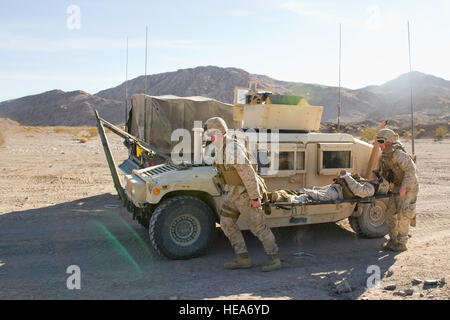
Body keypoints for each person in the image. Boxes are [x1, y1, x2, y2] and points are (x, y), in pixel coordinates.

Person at [203, 117, 281, 272]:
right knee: (226, 223)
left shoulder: (232, 148)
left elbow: (248, 173)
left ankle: (274, 259)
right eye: (208, 135)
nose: (209, 137)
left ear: (221, 133)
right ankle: (243, 258)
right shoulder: (220, 147)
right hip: (233, 194)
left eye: (211, 134)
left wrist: (255, 198)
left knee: (257, 227)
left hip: (246, 194)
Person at [376, 128, 419, 252]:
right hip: (396, 186)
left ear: (388, 141)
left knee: (403, 214)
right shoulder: (384, 156)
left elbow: (410, 170)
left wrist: (404, 187)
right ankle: (393, 239)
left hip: (409, 186)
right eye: (378, 141)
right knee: (390, 214)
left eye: (381, 141)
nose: (379, 144)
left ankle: (402, 243)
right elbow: (383, 172)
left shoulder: (399, 155)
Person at [268, 170, 389, 204]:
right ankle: (282, 193)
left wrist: (347, 176)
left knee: (312, 195)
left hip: (337, 194)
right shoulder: (368, 184)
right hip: (334, 188)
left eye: (378, 179)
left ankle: (281, 198)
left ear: (379, 185)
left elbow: (356, 189)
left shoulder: (370, 190)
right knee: (308, 189)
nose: (375, 178)